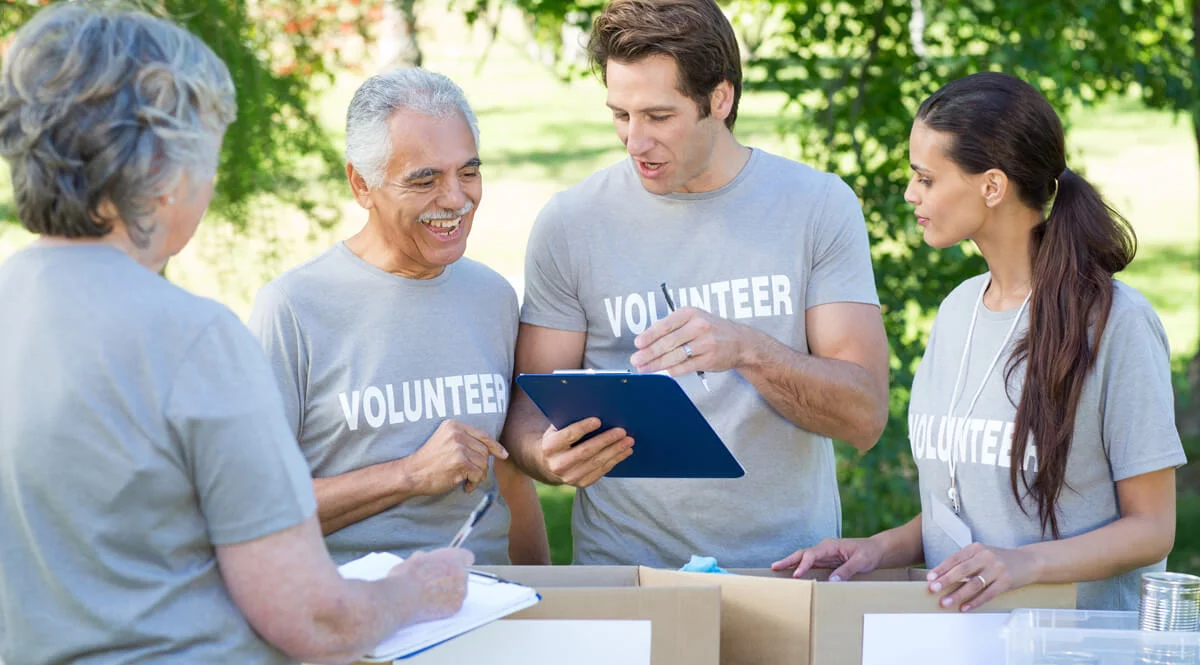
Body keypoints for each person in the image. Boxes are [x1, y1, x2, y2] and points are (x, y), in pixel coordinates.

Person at [0, 6, 473, 665]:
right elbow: (314, 616)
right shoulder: (189, 337)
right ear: (161, 166)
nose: (214, 178)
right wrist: (411, 593)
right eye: (208, 154)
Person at [773, 72, 1186, 612]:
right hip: (963, 639)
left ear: (992, 186)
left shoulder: (1117, 323)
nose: (910, 193)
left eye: (926, 178)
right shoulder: (957, 311)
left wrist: (1024, 564)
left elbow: (1152, 529)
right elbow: (972, 505)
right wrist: (878, 549)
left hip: (1073, 648)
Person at [503, 0, 891, 567]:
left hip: (788, 571)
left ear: (720, 99)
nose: (635, 142)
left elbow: (864, 415)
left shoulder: (817, 207)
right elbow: (525, 407)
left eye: (658, 117)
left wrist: (750, 351)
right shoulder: (570, 223)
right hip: (626, 576)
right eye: (621, 115)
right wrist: (545, 454)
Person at [248, 68, 550, 566]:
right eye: (425, 179)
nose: (456, 199)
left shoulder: (493, 296)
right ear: (361, 184)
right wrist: (409, 475)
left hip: (492, 602)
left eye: (468, 172)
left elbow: (510, 477)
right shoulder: (293, 310)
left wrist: (546, 605)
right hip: (355, 616)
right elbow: (256, 510)